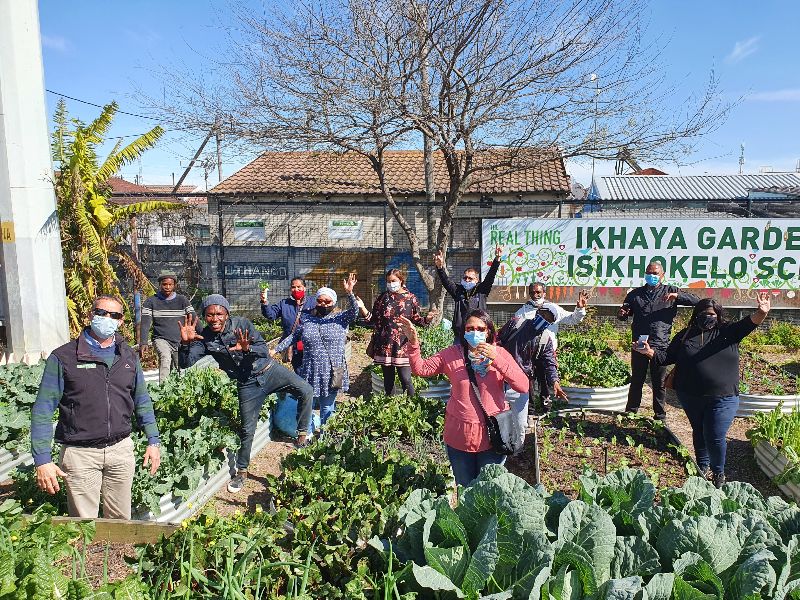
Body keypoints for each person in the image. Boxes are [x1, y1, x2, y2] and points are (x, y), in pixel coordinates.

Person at [31, 295, 161, 519]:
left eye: (114, 315)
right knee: (84, 525)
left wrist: (153, 440)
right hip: (80, 454)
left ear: (121, 322)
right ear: (91, 314)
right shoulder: (64, 357)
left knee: (120, 523)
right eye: (101, 313)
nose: (107, 318)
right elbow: (43, 409)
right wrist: (42, 459)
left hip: (120, 450)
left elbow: (142, 399)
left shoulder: (128, 356)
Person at [178, 294, 313, 494]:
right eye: (209, 315)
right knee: (247, 429)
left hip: (269, 371)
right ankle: (242, 471)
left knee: (306, 390)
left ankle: (301, 436)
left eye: (219, 314)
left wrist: (247, 349)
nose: (215, 319)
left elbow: (264, 351)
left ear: (226, 314)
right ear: (204, 317)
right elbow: (185, 363)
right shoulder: (205, 337)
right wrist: (185, 344)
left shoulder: (242, 324)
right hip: (247, 384)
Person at [634, 292, 770, 488]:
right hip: (690, 395)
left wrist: (762, 311)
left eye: (713, 314)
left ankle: (719, 473)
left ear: (719, 316)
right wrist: (649, 352)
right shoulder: (685, 334)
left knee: (714, 435)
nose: (708, 317)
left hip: (723, 397)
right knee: (699, 431)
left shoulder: (729, 331)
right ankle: (702, 466)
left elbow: (751, 322)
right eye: (705, 313)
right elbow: (667, 357)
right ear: (696, 315)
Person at [400, 309, 529, 487]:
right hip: (459, 435)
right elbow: (422, 369)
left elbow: (523, 385)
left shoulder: (500, 354)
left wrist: (496, 359)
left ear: (489, 331)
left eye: (480, 328)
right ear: (464, 332)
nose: (475, 332)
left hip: (494, 435)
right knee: (465, 488)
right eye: (470, 328)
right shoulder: (452, 354)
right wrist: (413, 343)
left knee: (488, 490)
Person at [274, 274, 359, 431]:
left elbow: (355, 311)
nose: (323, 304)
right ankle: (307, 434)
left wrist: (349, 293)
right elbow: (293, 337)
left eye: (327, 301)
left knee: (327, 408)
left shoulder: (340, 318)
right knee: (307, 405)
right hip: (310, 370)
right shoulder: (307, 319)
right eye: (320, 300)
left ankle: (326, 438)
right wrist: (276, 349)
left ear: (333, 303)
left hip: (332, 370)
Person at [618, 261, 699, 420]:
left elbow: (697, 301)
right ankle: (631, 411)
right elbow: (623, 314)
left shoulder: (671, 291)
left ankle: (660, 415)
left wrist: (678, 296)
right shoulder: (635, 294)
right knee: (637, 379)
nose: (651, 276)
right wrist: (622, 313)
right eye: (648, 272)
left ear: (662, 275)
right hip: (640, 343)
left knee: (659, 382)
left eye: (655, 273)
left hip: (660, 344)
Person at [357, 269, 437, 396]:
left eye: (393, 281)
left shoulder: (411, 298)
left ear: (401, 281)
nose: (390, 284)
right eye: (388, 281)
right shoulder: (383, 297)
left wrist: (427, 319)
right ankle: (390, 406)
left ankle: (411, 407)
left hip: (403, 346)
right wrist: (362, 307)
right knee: (388, 381)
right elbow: (372, 320)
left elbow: (417, 320)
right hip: (385, 346)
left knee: (406, 379)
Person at [498, 306, 568, 420]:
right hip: (501, 376)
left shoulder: (545, 339)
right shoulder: (516, 323)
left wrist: (555, 382)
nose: (544, 320)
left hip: (522, 379)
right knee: (500, 413)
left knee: (521, 417)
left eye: (548, 320)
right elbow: (498, 341)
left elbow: (550, 362)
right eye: (543, 316)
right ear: (537, 312)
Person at [434, 246, 502, 343]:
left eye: (470, 278)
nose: (467, 280)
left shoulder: (482, 290)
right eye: (465, 278)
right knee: (457, 358)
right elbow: (446, 281)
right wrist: (440, 268)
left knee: (479, 358)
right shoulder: (458, 290)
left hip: (479, 334)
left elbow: (491, 276)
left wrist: (497, 259)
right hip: (461, 335)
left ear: (476, 280)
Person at [140, 273, 195, 383]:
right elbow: (145, 323)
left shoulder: (182, 300)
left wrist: (203, 335)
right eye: (165, 284)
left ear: (174, 285)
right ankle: (163, 391)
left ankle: (180, 393)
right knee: (165, 358)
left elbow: (193, 318)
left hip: (180, 340)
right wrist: (143, 342)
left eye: (170, 284)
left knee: (181, 367)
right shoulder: (151, 301)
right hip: (161, 339)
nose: (168, 287)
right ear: (160, 284)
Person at [260, 276, 312, 372]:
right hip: (293, 347)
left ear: (304, 288)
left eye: (299, 287)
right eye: (293, 287)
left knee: (311, 372)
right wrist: (264, 302)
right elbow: (270, 315)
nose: (296, 289)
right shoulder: (284, 304)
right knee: (299, 372)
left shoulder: (312, 302)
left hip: (310, 346)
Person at [513, 283, 589, 349]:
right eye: (532, 292)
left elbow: (573, 319)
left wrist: (580, 309)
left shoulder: (554, 309)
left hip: (548, 354)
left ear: (544, 293)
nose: (535, 295)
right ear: (529, 294)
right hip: (527, 355)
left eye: (538, 292)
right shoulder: (522, 312)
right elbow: (514, 332)